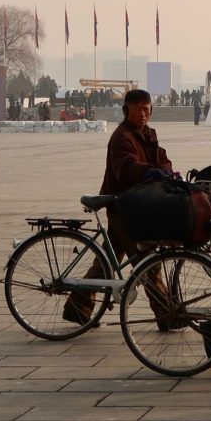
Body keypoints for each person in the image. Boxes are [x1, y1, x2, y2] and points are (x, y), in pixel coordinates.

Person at [63, 89, 173, 325]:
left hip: (138, 206)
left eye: (146, 109)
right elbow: (126, 167)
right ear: (126, 111)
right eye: (137, 110)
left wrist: (166, 170)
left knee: (106, 261)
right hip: (123, 207)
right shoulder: (122, 137)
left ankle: (77, 306)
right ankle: (167, 314)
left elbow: (161, 157)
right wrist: (148, 171)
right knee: (147, 262)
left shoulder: (147, 133)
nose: (143, 114)